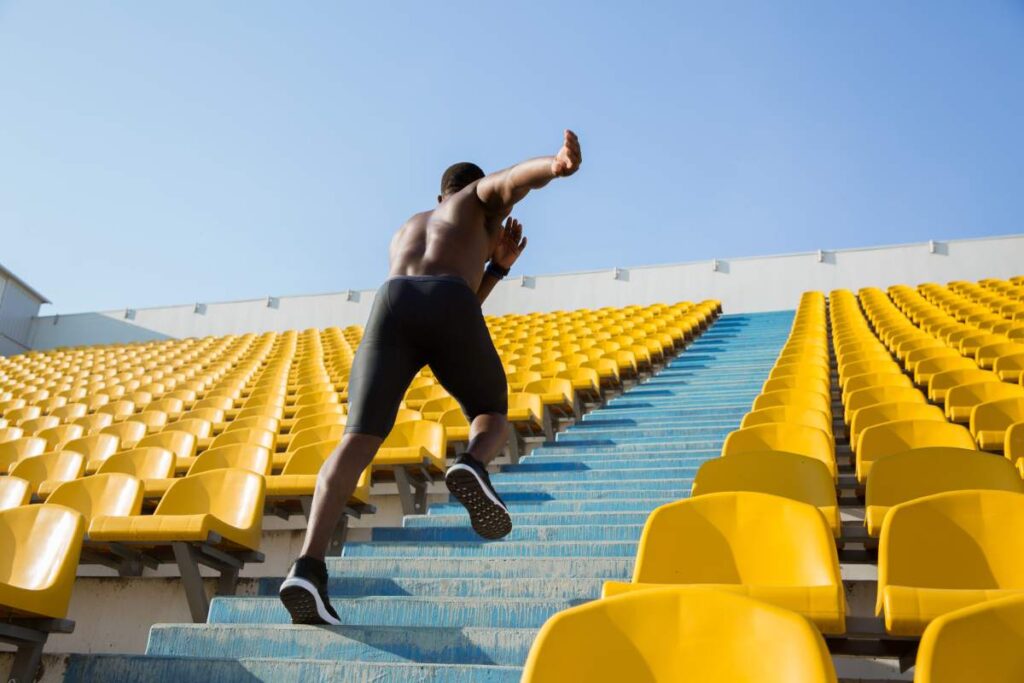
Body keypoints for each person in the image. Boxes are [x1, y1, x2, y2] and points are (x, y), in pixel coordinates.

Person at [279, 129, 583, 625]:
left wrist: (495, 269)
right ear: (465, 196)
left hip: (391, 303)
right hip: (444, 300)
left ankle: (307, 568)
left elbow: (442, 306)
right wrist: (555, 165)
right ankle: (473, 465)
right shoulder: (473, 201)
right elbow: (510, 183)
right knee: (491, 413)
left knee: (356, 439)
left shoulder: (407, 228)